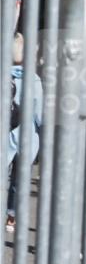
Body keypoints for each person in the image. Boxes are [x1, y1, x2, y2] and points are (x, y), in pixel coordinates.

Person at [6, 32, 43, 233]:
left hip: (5, 133)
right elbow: (38, 114)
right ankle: (11, 217)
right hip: (26, 135)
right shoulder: (33, 80)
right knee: (19, 179)